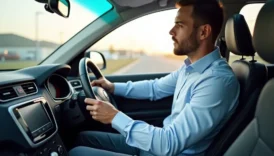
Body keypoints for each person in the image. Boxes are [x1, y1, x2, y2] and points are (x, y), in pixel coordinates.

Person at [69, 0, 240, 155]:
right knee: (82, 138)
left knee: (77, 153)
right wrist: (112, 87)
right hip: (156, 146)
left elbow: (169, 143)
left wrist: (114, 116)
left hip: (167, 149)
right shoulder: (191, 69)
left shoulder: (217, 81)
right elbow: (155, 88)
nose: (171, 31)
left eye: (179, 25)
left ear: (204, 32)